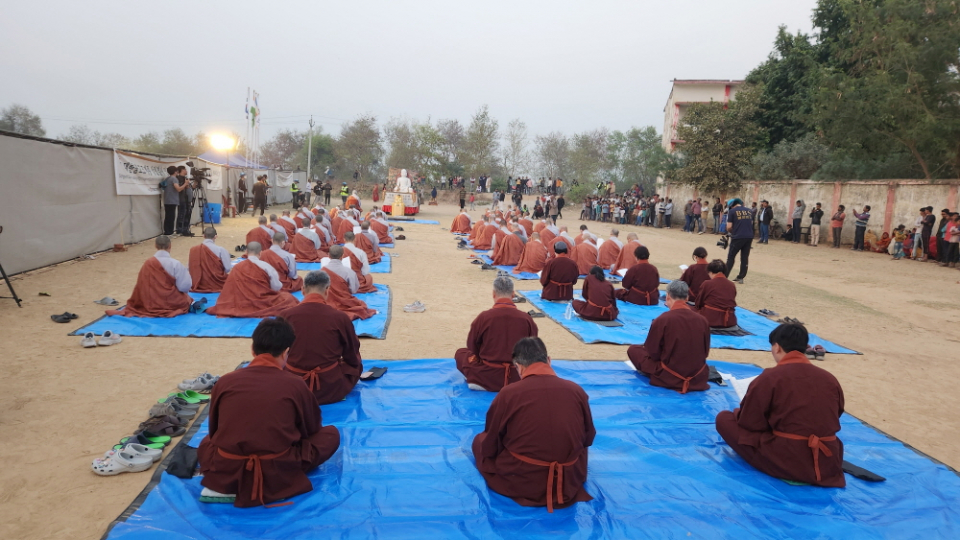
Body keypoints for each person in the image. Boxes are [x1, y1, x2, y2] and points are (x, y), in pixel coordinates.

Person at [197, 318, 341, 507]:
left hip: (228, 467)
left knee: (206, 442)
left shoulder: (225, 381)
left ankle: (234, 481)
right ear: (286, 352)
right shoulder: (295, 384)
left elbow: (215, 431)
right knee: (330, 435)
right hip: (277, 469)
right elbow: (311, 429)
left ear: (252, 349)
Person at [472, 337, 595, 513]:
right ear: (549, 361)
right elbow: (588, 437)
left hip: (523, 480)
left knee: (479, 441)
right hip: (567, 480)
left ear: (518, 366)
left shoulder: (508, 393)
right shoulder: (576, 390)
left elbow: (492, 442)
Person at [715, 323, 845, 487]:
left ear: (776, 347)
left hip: (789, 458)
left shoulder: (770, 377)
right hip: (828, 461)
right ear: (804, 347)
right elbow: (837, 413)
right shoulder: (829, 378)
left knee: (724, 419)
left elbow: (750, 423)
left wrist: (738, 413)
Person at [280, 271, 363, 405]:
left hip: (294, 384)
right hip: (329, 386)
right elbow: (352, 352)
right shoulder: (339, 317)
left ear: (302, 290)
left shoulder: (285, 316)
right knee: (355, 366)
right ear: (327, 290)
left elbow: (276, 351)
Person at [455, 277, 539, 392]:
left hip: (487, 375)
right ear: (513, 294)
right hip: (517, 376)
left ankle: (477, 379)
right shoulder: (526, 319)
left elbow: (472, 345)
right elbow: (533, 348)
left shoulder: (484, 317)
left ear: (493, 294)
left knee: (461, 353)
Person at [627, 280, 710, 393]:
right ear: (687, 298)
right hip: (696, 377)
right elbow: (705, 352)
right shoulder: (703, 320)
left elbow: (653, 353)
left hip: (669, 375)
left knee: (634, 350)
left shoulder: (663, 319)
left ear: (668, 296)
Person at [206, 242, 299, 318]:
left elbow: (229, 288)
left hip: (240, 302)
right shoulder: (266, 267)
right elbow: (276, 287)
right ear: (260, 253)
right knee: (288, 298)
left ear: (246, 251)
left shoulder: (237, 267)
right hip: (262, 301)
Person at [106, 235, 192, 317]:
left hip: (149, 303)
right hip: (171, 302)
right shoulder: (175, 264)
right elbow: (184, 287)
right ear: (170, 246)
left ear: (155, 246)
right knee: (187, 300)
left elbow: (141, 287)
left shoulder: (148, 263)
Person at [320, 245, 376, 320]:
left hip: (327, 301)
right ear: (342, 256)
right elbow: (354, 290)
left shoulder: (321, 272)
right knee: (360, 305)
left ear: (329, 255)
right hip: (345, 301)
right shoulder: (349, 272)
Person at [695, 259, 738, 328]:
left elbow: (699, 302)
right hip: (730, 320)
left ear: (711, 272)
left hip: (710, 319)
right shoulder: (731, 284)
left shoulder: (707, 283)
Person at [188, 227, 232, 293]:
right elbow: (228, 268)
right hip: (218, 283)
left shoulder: (194, 250)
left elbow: (190, 268)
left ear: (203, 236)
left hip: (198, 284)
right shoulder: (221, 250)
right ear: (215, 236)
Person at [724, 198, 754, 284]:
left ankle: (724, 276)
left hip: (737, 237)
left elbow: (729, 227)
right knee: (744, 257)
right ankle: (741, 277)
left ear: (731, 205)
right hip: (749, 236)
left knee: (731, 257)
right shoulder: (749, 211)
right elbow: (751, 223)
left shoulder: (732, 211)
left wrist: (732, 232)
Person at [161, 166, 183, 236]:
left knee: (168, 216)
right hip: (172, 200)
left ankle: (167, 231)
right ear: (175, 171)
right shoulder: (174, 179)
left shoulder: (167, 178)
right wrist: (185, 184)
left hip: (167, 200)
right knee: (171, 216)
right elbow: (178, 189)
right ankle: (169, 232)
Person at [176, 166, 195, 237]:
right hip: (182, 199)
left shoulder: (186, 178)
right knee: (182, 215)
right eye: (185, 169)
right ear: (181, 170)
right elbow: (180, 188)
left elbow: (191, 188)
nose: (186, 171)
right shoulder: (178, 178)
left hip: (188, 200)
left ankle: (186, 229)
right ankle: (180, 230)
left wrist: (196, 182)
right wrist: (186, 184)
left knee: (187, 215)